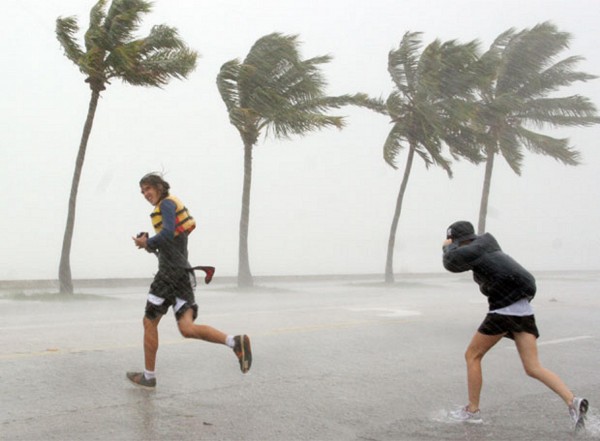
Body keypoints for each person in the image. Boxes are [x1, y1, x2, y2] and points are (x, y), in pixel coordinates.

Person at [442, 220, 587, 429]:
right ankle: (572, 401)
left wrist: (447, 246)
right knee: (533, 367)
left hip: (504, 308)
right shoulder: (485, 247)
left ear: (460, 240)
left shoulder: (476, 248)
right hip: (523, 308)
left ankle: (472, 410)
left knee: (472, 355)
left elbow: (451, 263)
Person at [127, 173, 252, 389]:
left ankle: (149, 376)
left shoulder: (166, 204)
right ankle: (235, 342)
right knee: (186, 328)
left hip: (168, 275)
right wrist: (149, 245)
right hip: (182, 274)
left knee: (149, 321)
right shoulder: (171, 208)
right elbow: (169, 244)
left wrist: (149, 241)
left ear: (159, 186)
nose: (145, 194)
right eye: (142, 191)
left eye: (148, 188)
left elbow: (165, 235)